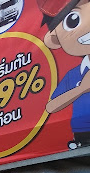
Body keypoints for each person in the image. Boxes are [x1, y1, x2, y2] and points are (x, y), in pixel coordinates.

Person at [41, 0, 90, 148]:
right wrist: (81, 89)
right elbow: (51, 106)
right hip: (83, 132)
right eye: (73, 20)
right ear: (54, 39)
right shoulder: (74, 74)